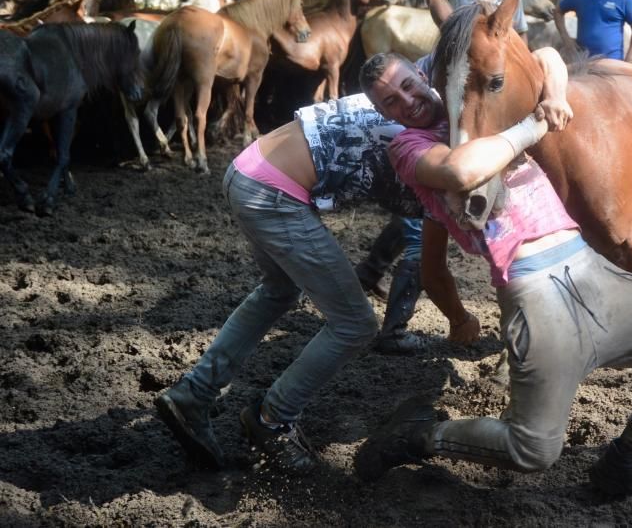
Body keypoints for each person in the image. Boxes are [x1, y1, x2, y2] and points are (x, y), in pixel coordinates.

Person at [354, 45, 632, 506]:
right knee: (532, 450)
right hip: (530, 284)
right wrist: (534, 125)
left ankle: (629, 461)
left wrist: (553, 95)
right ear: (381, 113)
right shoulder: (408, 148)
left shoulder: (475, 109)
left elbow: (548, 54)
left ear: (424, 74)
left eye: (408, 85)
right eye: (390, 101)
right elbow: (460, 169)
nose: (406, 101)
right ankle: (419, 436)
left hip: (585, 261)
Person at [154, 94, 433, 474]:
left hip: (246, 170)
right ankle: (272, 421)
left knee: (279, 290)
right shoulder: (426, 140)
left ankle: (194, 392)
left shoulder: (410, 96)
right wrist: (459, 316)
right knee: (355, 323)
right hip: (273, 195)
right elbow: (427, 245)